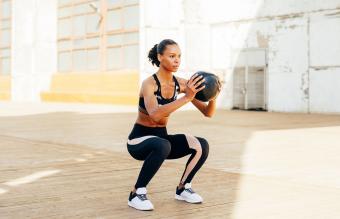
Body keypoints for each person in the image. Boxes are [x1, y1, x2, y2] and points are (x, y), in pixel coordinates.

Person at [127, 39, 221, 211]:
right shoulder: (149, 84)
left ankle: (183, 188)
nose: (177, 60)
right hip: (139, 140)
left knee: (201, 145)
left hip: (162, 141)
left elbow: (208, 113)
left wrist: (213, 96)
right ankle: (136, 193)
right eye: (171, 56)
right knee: (162, 144)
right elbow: (155, 115)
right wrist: (187, 97)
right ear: (160, 57)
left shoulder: (182, 84)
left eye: (179, 56)